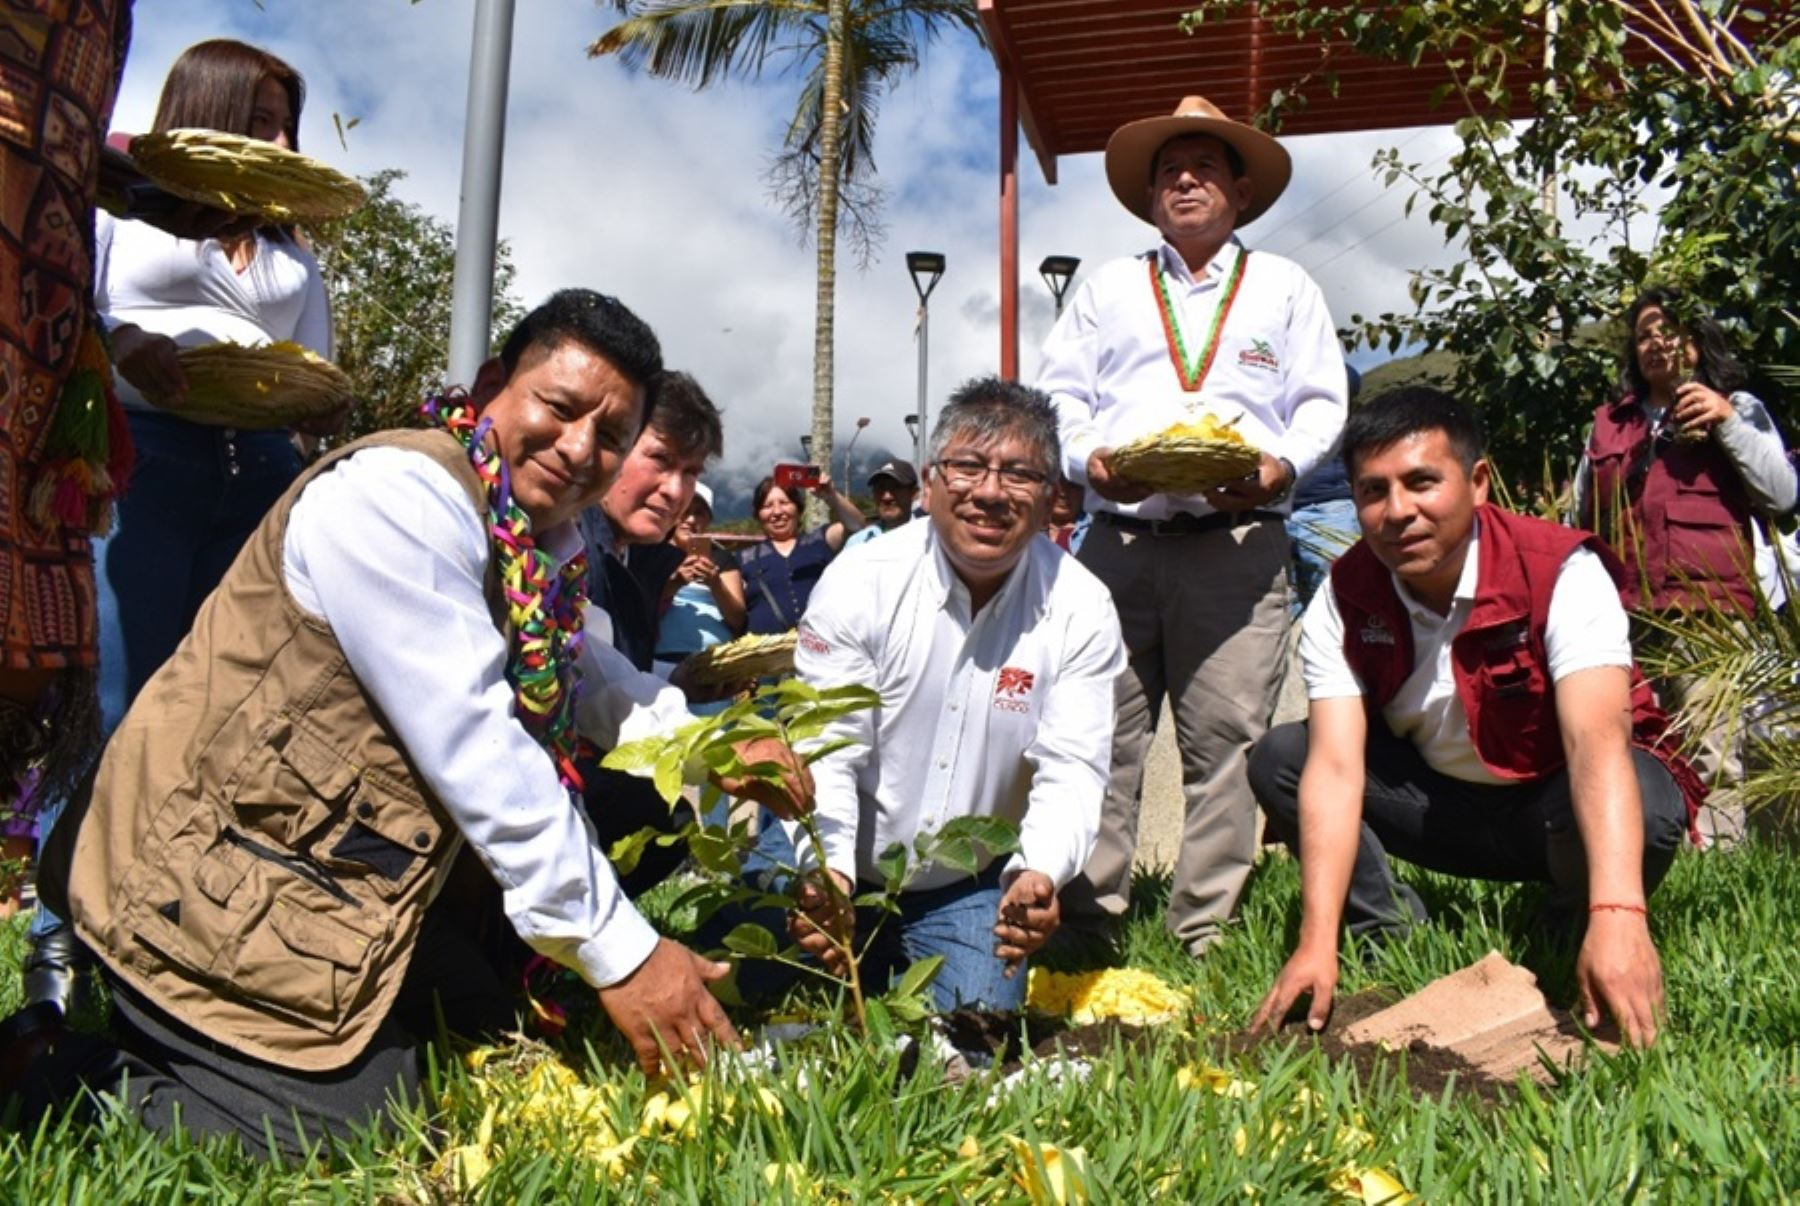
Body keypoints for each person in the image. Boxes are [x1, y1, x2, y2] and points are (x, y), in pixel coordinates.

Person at [14, 291, 808, 1153]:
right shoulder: (400, 497)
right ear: (494, 383)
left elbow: (593, 679)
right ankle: (63, 1074)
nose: (581, 448)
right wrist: (624, 953)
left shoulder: (532, 546)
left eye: (610, 437)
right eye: (561, 407)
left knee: (475, 1032)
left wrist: (713, 745)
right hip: (191, 871)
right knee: (364, 1126)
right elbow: (478, 746)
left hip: (324, 869)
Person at [1248, 387, 1703, 1049]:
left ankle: (1573, 926)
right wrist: (1315, 943)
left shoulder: (1561, 572)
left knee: (1650, 798)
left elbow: (1596, 746)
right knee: (1282, 756)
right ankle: (1390, 933)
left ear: (1479, 482)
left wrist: (1620, 912)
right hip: (1436, 806)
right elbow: (1337, 768)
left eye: (1422, 482)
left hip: (1551, 808)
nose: (1397, 511)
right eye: (1373, 491)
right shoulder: (1345, 596)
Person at [1036, 96, 1348, 957]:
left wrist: (1279, 466)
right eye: (1169, 170)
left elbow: (1323, 400)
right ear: (1149, 196)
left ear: (1240, 192)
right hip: (1116, 546)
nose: (1183, 179)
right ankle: (1088, 922)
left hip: (1239, 548)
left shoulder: (1286, 288)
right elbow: (1062, 393)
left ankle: (1203, 932)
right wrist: (1087, 458)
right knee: (1098, 733)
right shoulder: (1108, 288)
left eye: (1204, 167)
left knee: (1229, 743)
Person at [751, 378, 1126, 1011]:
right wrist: (830, 873)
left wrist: (1038, 873)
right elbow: (828, 748)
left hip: (967, 880)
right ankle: (854, 939)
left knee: (977, 1029)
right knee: (761, 987)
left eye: (1019, 474)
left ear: (1049, 497)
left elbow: (1073, 767)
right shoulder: (859, 583)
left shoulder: (1082, 606)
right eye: (968, 467)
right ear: (931, 481)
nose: (989, 493)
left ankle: (905, 958)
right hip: (834, 854)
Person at [1573, 289, 1796, 847]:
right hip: (1625, 617)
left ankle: (1719, 878)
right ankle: (1656, 866)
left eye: (1670, 330)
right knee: (1638, 747)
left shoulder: (1737, 407)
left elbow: (1784, 493)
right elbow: (1581, 516)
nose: (1657, 342)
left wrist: (1725, 421)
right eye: (1645, 332)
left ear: (1697, 342)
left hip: (1711, 616)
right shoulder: (1609, 424)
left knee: (1712, 752)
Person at [739, 471, 865, 634]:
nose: (777, 512)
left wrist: (831, 495)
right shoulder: (744, 558)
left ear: (798, 509)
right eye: (767, 506)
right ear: (758, 515)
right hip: (768, 656)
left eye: (784, 502)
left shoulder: (820, 540)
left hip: (825, 649)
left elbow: (857, 525)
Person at [657, 483, 746, 665]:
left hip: (714, 658)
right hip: (660, 658)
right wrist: (675, 583)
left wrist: (715, 584)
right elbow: (639, 609)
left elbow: (738, 620)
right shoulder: (653, 553)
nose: (690, 520)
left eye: (699, 513)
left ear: (708, 520)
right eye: (685, 510)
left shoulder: (721, 558)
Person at [843, 459, 919, 549]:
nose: (887, 497)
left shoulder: (928, 539)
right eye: (880, 488)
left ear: (913, 493)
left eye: (895, 488)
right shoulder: (857, 543)